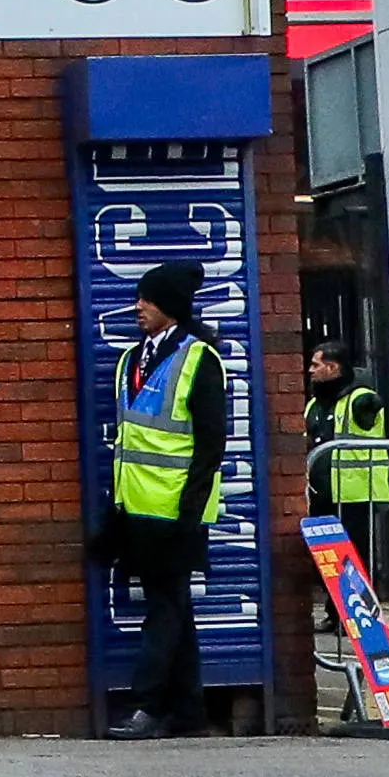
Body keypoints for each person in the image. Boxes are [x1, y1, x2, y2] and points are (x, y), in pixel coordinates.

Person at [98, 261, 230, 739]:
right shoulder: (130, 360)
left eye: (148, 299)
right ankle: (189, 711)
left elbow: (211, 443)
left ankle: (147, 705)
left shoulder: (199, 359)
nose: (138, 306)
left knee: (164, 610)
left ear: (170, 306)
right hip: (137, 511)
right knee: (173, 608)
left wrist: (189, 510)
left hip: (176, 513)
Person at [305, 337, 389, 597]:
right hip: (321, 495)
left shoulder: (360, 398)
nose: (310, 370)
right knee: (328, 562)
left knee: (354, 559)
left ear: (333, 367)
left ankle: (361, 610)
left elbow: (370, 406)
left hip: (354, 494)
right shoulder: (314, 404)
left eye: (316, 365)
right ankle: (336, 612)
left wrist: (368, 400)